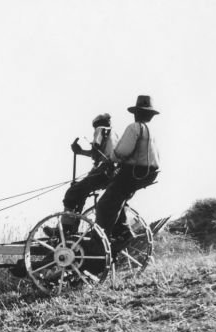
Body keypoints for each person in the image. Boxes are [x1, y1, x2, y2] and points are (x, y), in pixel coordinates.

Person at [95, 95, 160, 248]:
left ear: (136, 113)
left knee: (104, 205)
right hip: (149, 173)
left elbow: (122, 151)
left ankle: (103, 242)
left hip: (133, 172)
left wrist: (111, 160)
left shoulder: (134, 127)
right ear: (150, 115)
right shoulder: (151, 131)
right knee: (118, 199)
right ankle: (122, 232)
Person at [57, 112, 117, 233]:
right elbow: (100, 153)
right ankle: (71, 227)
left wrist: (79, 150)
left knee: (72, 191)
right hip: (112, 172)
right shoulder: (115, 134)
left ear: (96, 124)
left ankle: (66, 229)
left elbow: (96, 153)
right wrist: (80, 151)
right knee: (81, 192)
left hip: (102, 170)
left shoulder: (100, 129)